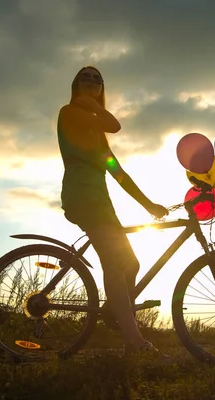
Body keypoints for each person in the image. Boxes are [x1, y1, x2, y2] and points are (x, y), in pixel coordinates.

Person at [57, 65, 168, 354]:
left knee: (131, 264)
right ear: (76, 85)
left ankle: (114, 313)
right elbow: (115, 123)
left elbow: (118, 173)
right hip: (83, 195)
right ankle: (136, 342)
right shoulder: (69, 114)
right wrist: (89, 102)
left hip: (101, 199)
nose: (92, 81)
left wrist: (149, 205)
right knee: (114, 266)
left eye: (97, 79)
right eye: (86, 77)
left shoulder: (97, 135)